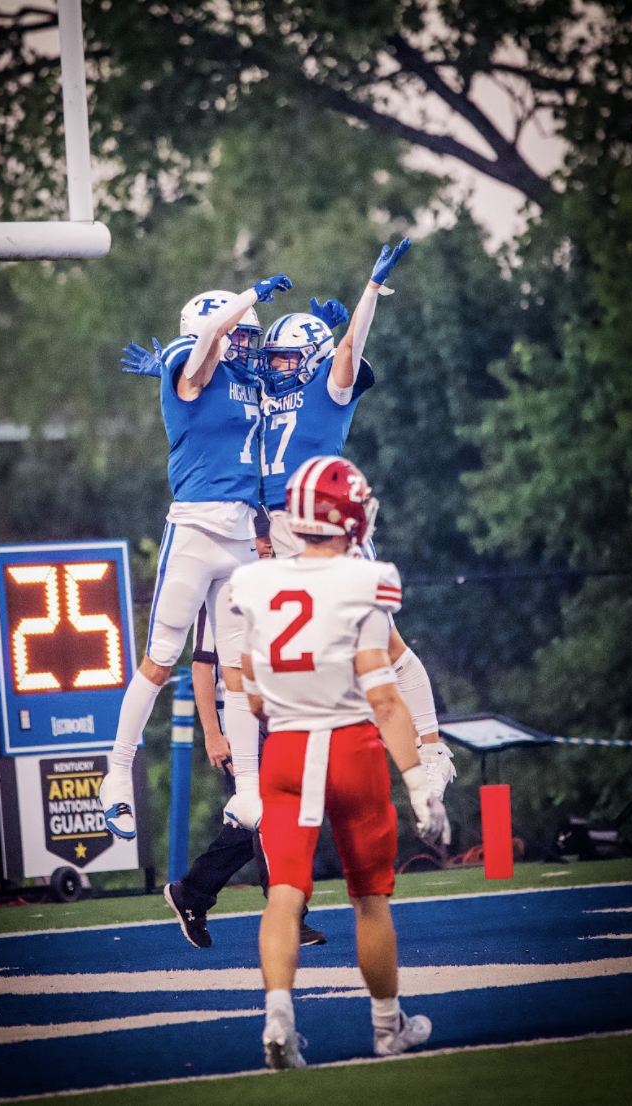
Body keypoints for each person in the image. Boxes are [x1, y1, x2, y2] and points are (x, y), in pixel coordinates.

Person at [230, 455, 446, 1069]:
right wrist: (420, 781)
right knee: (370, 898)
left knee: (284, 895)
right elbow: (384, 696)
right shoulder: (366, 582)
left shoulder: (255, 582)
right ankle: (386, 1028)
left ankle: (277, 1016)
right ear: (350, 517)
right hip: (351, 749)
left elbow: (246, 690)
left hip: (286, 752)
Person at [256, 239, 456, 823]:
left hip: (325, 529)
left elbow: (350, 348)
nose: (276, 366)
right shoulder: (272, 400)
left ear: (313, 359)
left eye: (287, 358)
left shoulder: (328, 388)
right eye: (275, 358)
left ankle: (429, 750)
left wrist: (369, 292)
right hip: (279, 536)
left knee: (383, 647)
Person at [99, 275, 292, 839]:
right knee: (160, 661)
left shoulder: (243, 380)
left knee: (238, 674)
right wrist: (249, 297)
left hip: (240, 537)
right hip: (195, 529)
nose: (249, 345)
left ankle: (248, 793)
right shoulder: (193, 363)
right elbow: (205, 344)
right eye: (243, 334)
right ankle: (115, 775)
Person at [165, 507, 326, 949]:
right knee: (271, 813)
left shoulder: (273, 583)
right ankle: (288, 913)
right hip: (240, 719)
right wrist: (214, 733)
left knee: (259, 817)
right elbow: (202, 668)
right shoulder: (221, 582)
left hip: (275, 714)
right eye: (262, 541)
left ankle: (193, 892)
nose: (268, 549)